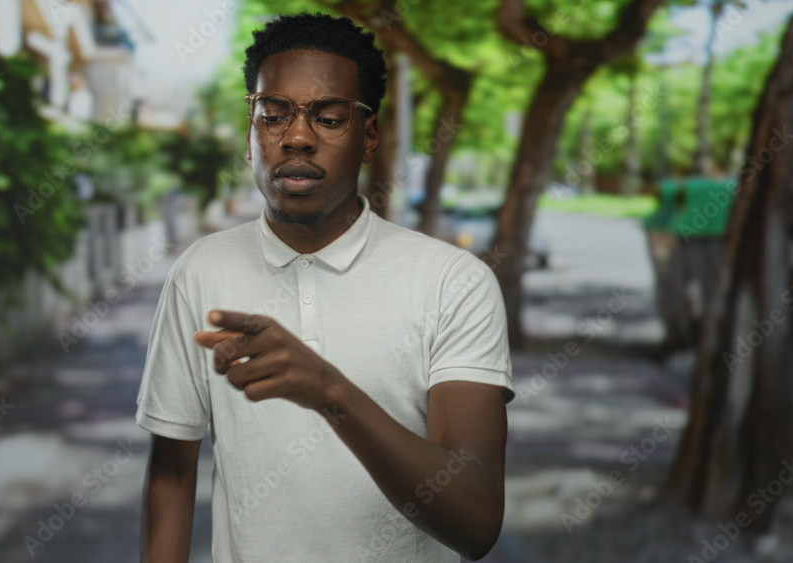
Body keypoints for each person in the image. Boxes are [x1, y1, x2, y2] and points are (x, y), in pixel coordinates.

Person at [136, 13, 514, 562]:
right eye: (272, 116)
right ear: (250, 135)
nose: (297, 138)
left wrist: (331, 393)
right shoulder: (200, 271)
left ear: (369, 136)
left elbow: (476, 522)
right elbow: (171, 475)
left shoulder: (454, 282)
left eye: (330, 118)